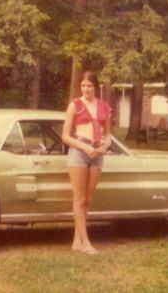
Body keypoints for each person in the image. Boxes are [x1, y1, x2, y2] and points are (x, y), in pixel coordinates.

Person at [62, 71, 112, 255]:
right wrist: (84, 148)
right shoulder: (74, 106)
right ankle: (86, 243)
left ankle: (76, 240)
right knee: (79, 199)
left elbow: (108, 133)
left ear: (95, 87)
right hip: (79, 153)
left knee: (88, 200)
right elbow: (65, 136)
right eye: (83, 86)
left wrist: (105, 145)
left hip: (97, 154)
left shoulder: (104, 107)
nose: (86, 89)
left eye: (89, 86)